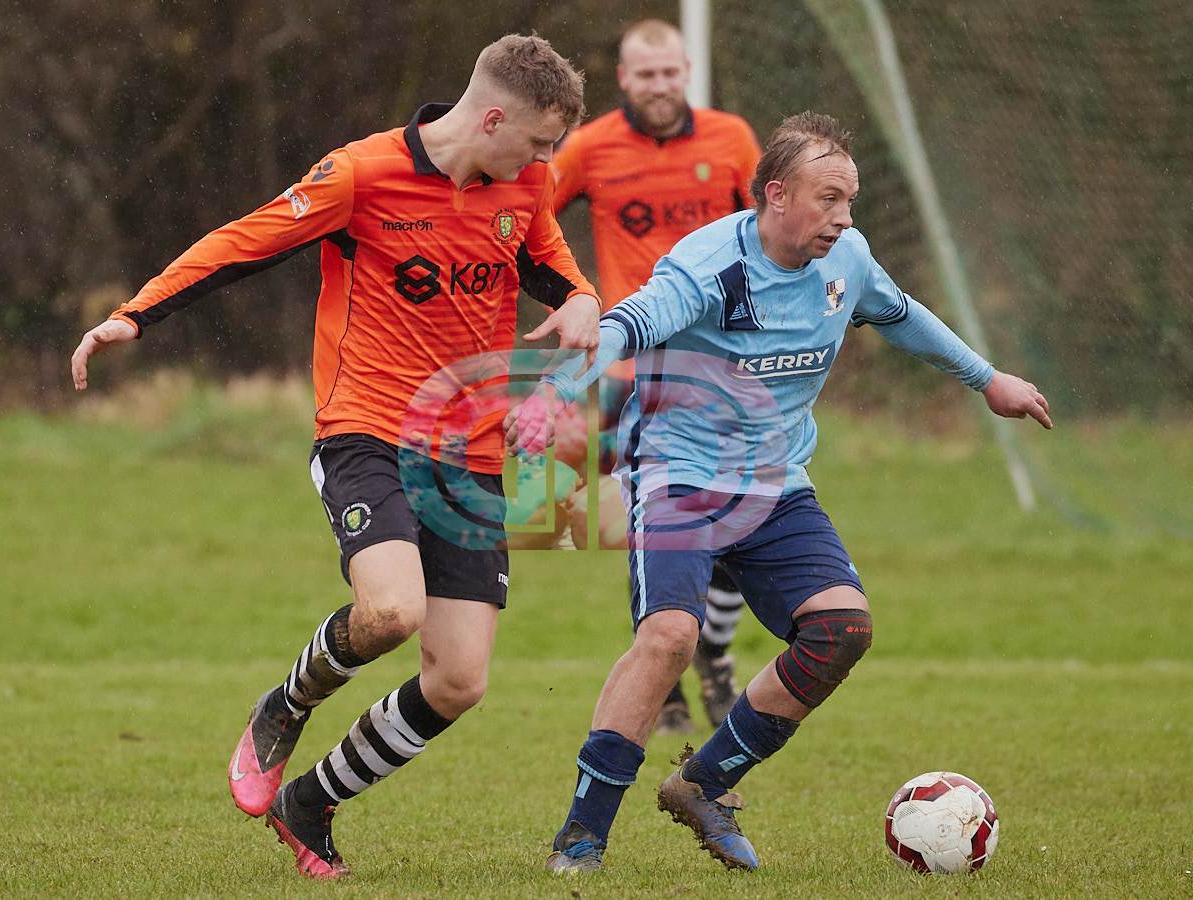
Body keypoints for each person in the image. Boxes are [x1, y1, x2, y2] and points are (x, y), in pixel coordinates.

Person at [70, 34, 601, 880]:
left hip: (470, 453)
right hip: (368, 429)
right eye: (539, 142)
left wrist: (583, 301)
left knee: (460, 681)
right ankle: (286, 705)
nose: (547, 162)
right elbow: (242, 242)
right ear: (493, 119)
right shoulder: (361, 174)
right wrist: (136, 315)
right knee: (392, 612)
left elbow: (557, 270)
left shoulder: (525, 186)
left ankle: (310, 803)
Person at [506, 111, 1051, 872]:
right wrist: (554, 394)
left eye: (850, 200)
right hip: (680, 477)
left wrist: (986, 379)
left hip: (775, 483)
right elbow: (627, 326)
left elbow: (901, 316)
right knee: (669, 638)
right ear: (776, 194)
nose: (844, 217)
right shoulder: (708, 266)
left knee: (841, 629)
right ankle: (582, 835)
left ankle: (702, 783)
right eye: (829, 199)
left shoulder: (847, 260)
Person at [550, 19, 763, 733]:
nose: (660, 86)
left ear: (687, 71)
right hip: (633, 369)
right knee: (657, 524)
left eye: (670, 72)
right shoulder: (590, 147)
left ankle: (713, 651)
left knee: (740, 512)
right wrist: (574, 300)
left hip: (724, 363)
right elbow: (527, 221)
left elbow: (770, 235)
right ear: (623, 78)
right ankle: (665, 674)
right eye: (646, 74)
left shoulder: (732, 139)